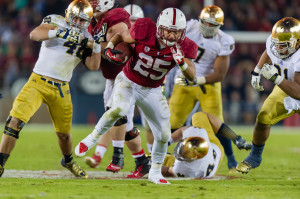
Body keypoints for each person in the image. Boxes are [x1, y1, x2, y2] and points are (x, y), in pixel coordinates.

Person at [75, 7, 198, 184]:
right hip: (129, 81)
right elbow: (122, 36)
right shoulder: (145, 29)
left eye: (176, 32)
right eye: (168, 31)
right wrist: (109, 47)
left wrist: (183, 65)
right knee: (119, 109)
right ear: (159, 28)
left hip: (153, 90)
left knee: (163, 134)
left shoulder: (185, 46)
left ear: (182, 32)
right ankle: (91, 139)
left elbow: (192, 76)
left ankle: (155, 172)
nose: (171, 36)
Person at [0, 0, 103, 178]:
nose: (77, 23)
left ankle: (68, 161)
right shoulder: (57, 21)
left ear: (87, 21)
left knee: (63, 135)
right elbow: (35, 35)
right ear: (68, 14)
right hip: (37, 82)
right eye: (75, 18)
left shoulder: (88, 36)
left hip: (62, 88)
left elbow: (93, 66)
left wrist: (97, 47)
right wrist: (60, 32)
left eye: (82, 20)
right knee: (14, 121)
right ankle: (0, 163)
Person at [82, 1, 150, 176]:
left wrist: (89, 44)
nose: (90, 4)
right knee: (125, 125)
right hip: (112, 77)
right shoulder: (94, 23)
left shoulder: (115, 16)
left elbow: (121, 47)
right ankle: (142, 161)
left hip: (127, 75)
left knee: (117, 114)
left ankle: (117, 155)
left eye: (94, 1)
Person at [167, 5, 238, 172]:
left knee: (216, 123)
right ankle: (175, 152)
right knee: (171, 121)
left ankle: (232, 160)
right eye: (206, 23)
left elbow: (220, 74)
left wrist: (197, 80)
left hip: (208, 85)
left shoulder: (224, 41)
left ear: (220, 25)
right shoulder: (189, 27)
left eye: (213, 25)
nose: (208, 27)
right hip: (184, 82)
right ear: (200, 21)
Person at [236, 17, 300, 173]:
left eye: (283, 46)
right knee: (263, 117)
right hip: (285, 87)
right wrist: (257, 71)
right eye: (276, 45)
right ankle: (255, 156)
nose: (278, 49)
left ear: (297, 43)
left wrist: (277, 78)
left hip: (295, 88)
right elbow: (268, 51)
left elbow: (298, 92)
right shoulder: (274, 44)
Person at [161, 112, 251, 178]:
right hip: (215, 148)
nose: (181, 151)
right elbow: (182, 130)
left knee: (154, 159)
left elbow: (166, 171)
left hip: (200, 165)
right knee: (199, 116)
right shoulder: (200, 135)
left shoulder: (182, 169)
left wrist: (167, 143)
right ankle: (236, 138)